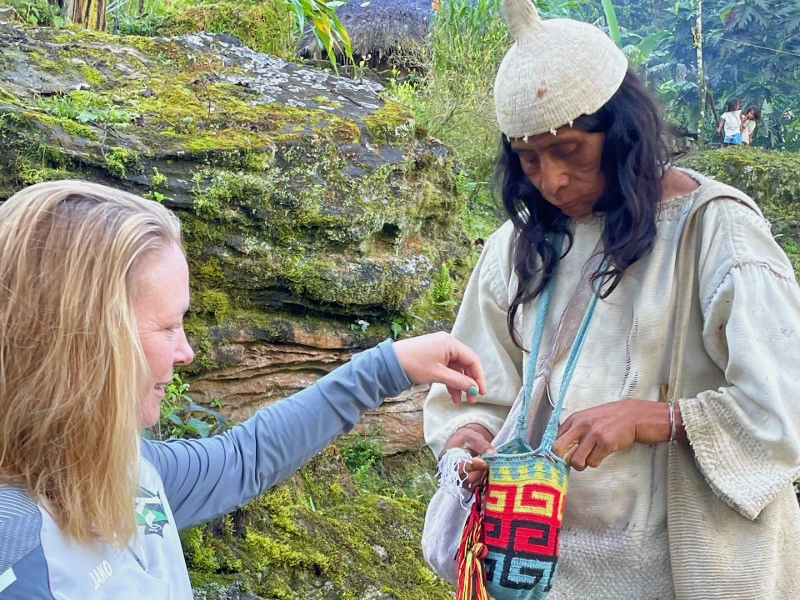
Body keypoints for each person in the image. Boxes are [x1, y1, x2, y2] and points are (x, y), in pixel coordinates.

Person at [423, 0, 800, 598]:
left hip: (684, 567)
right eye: (529, 159)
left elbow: (783, 409)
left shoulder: (713, 232)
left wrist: (652, 418)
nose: (550, 180)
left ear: (621, 131)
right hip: (544, 568)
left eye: (569, 149)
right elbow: (476, 382)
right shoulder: (517, 245)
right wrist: (469, 435)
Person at [0, 180, 486, 598]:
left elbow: (243, 460)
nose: (186, 351)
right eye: (168, 327)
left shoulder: (118, 467)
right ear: (84, 339)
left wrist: (390, 365)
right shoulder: (16, 550)